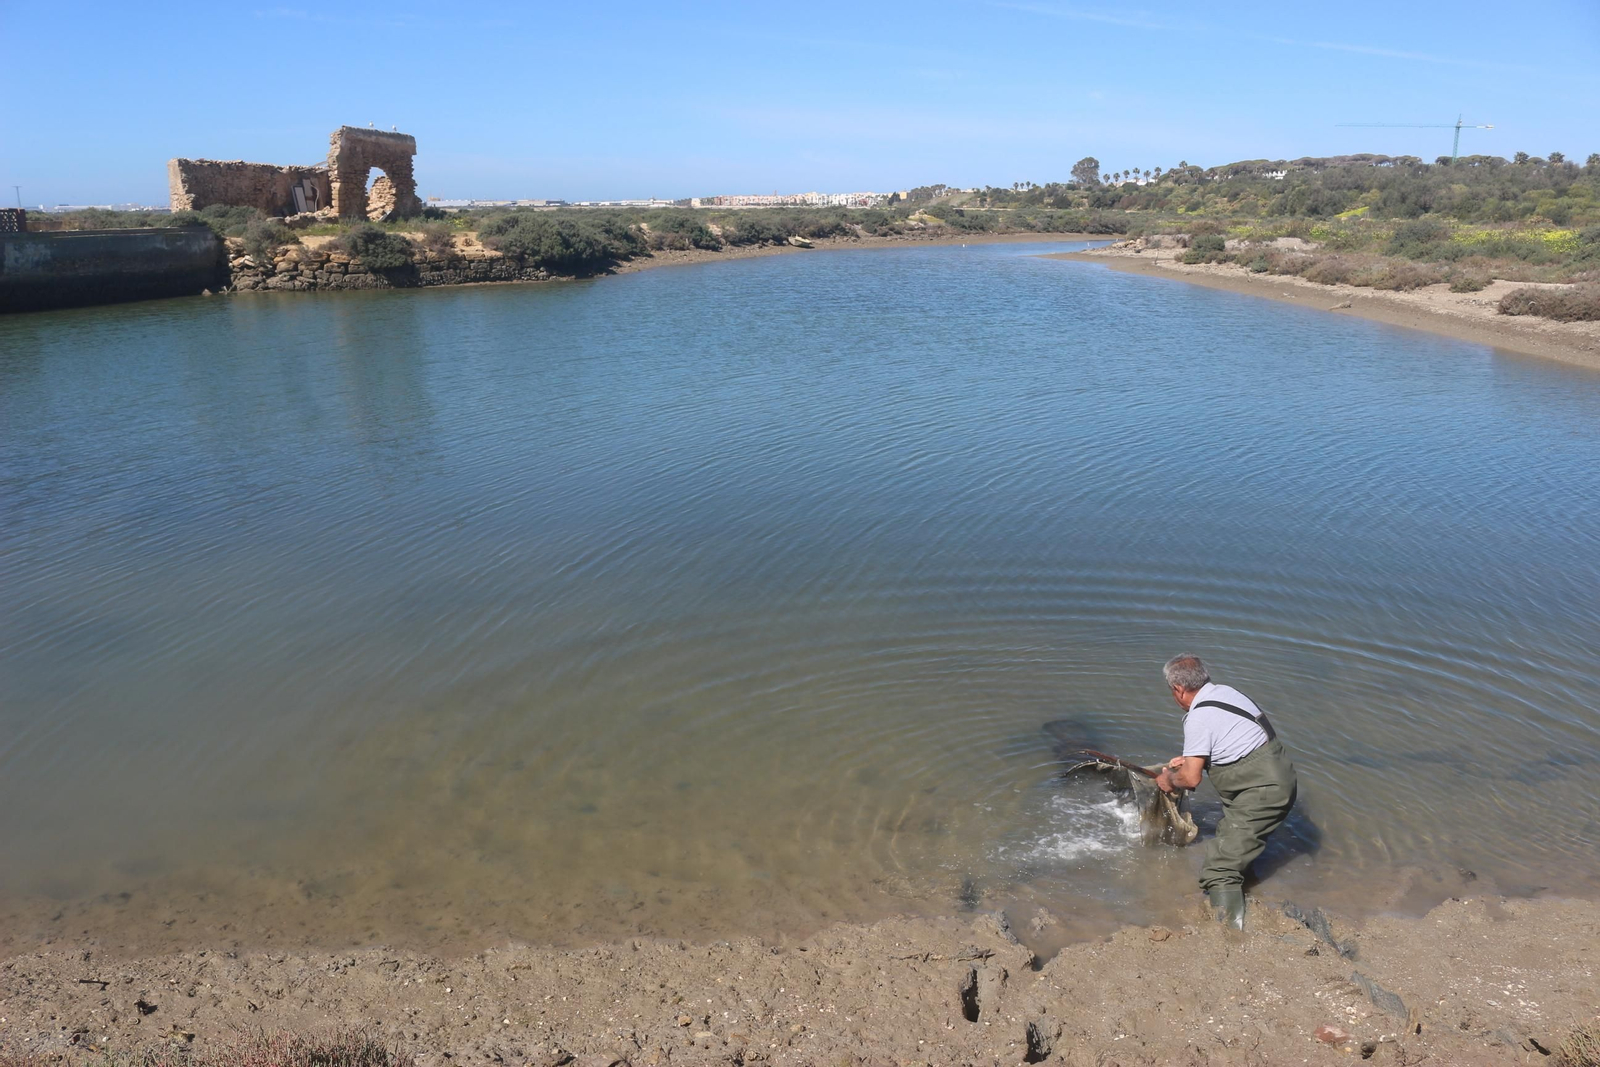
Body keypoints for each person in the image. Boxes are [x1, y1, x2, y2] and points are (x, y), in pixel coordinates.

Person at [1154, 654, 1297, 928]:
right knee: (1235, 845)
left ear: (1178, 689)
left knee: (1219, 868)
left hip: (1260, 792)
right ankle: (1245, 892)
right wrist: (1194, 757)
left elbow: (1191, 779)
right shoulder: (1228, 693)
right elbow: (1236, 737)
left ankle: (1229, 935)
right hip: (1279, 779)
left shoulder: (1198, 717)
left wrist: (1169, 781)